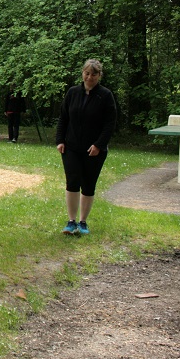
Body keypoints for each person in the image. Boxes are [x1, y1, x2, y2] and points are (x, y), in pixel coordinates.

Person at [56, 59, 116, 235]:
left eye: (94, 74)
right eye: (87, 73)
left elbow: (110, 124)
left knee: (88, 184)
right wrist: (60, 140)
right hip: (71, 147)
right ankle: (71, 221)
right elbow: (63, 118)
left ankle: (83, 222)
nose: (90, 77)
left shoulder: (105, 95)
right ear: (82, 73)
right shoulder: (72, 92)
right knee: (72, 182)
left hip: (94, 150)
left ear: (99, 76)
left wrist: (98, 144)